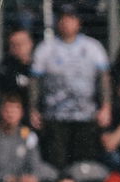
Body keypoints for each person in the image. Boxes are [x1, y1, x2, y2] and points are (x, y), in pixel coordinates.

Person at [30, 6, 111, 170]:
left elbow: (103, 79)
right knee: (57, 163)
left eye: (71, 18)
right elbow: (35, 81)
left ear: (78, 22)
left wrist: (106, 106)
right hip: (55, 117)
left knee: (83, 164)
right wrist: (33, 109)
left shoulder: (93, 47)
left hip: (86, 117)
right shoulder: (46, 49)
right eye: (63, 19)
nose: (67, 23)